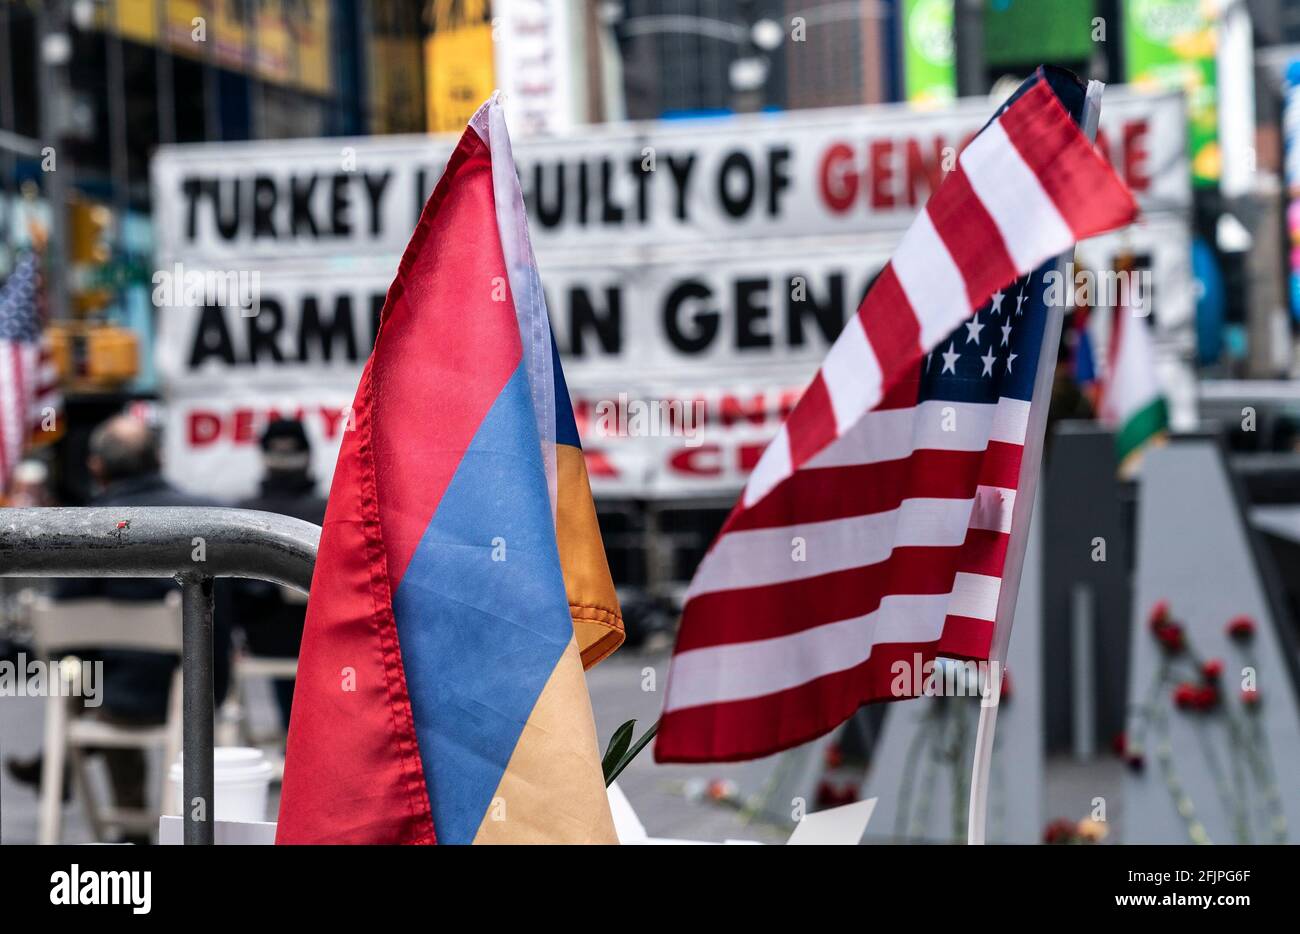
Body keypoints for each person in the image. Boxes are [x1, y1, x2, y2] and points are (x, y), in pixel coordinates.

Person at [5, 414, 232, 835]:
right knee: (109, 669)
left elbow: (66, 612)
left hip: (113, 694)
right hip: (196, 687)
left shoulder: (86, 527)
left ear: (97, 467)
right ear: (160, 458)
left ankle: (81, 787)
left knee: (85, 672)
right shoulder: (208, 517)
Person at [232, 418, 326, 724]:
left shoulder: (244, 514)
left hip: (263, 644)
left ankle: (292, 733)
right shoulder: (332, 511)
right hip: (324, 643)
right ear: (309, 456)